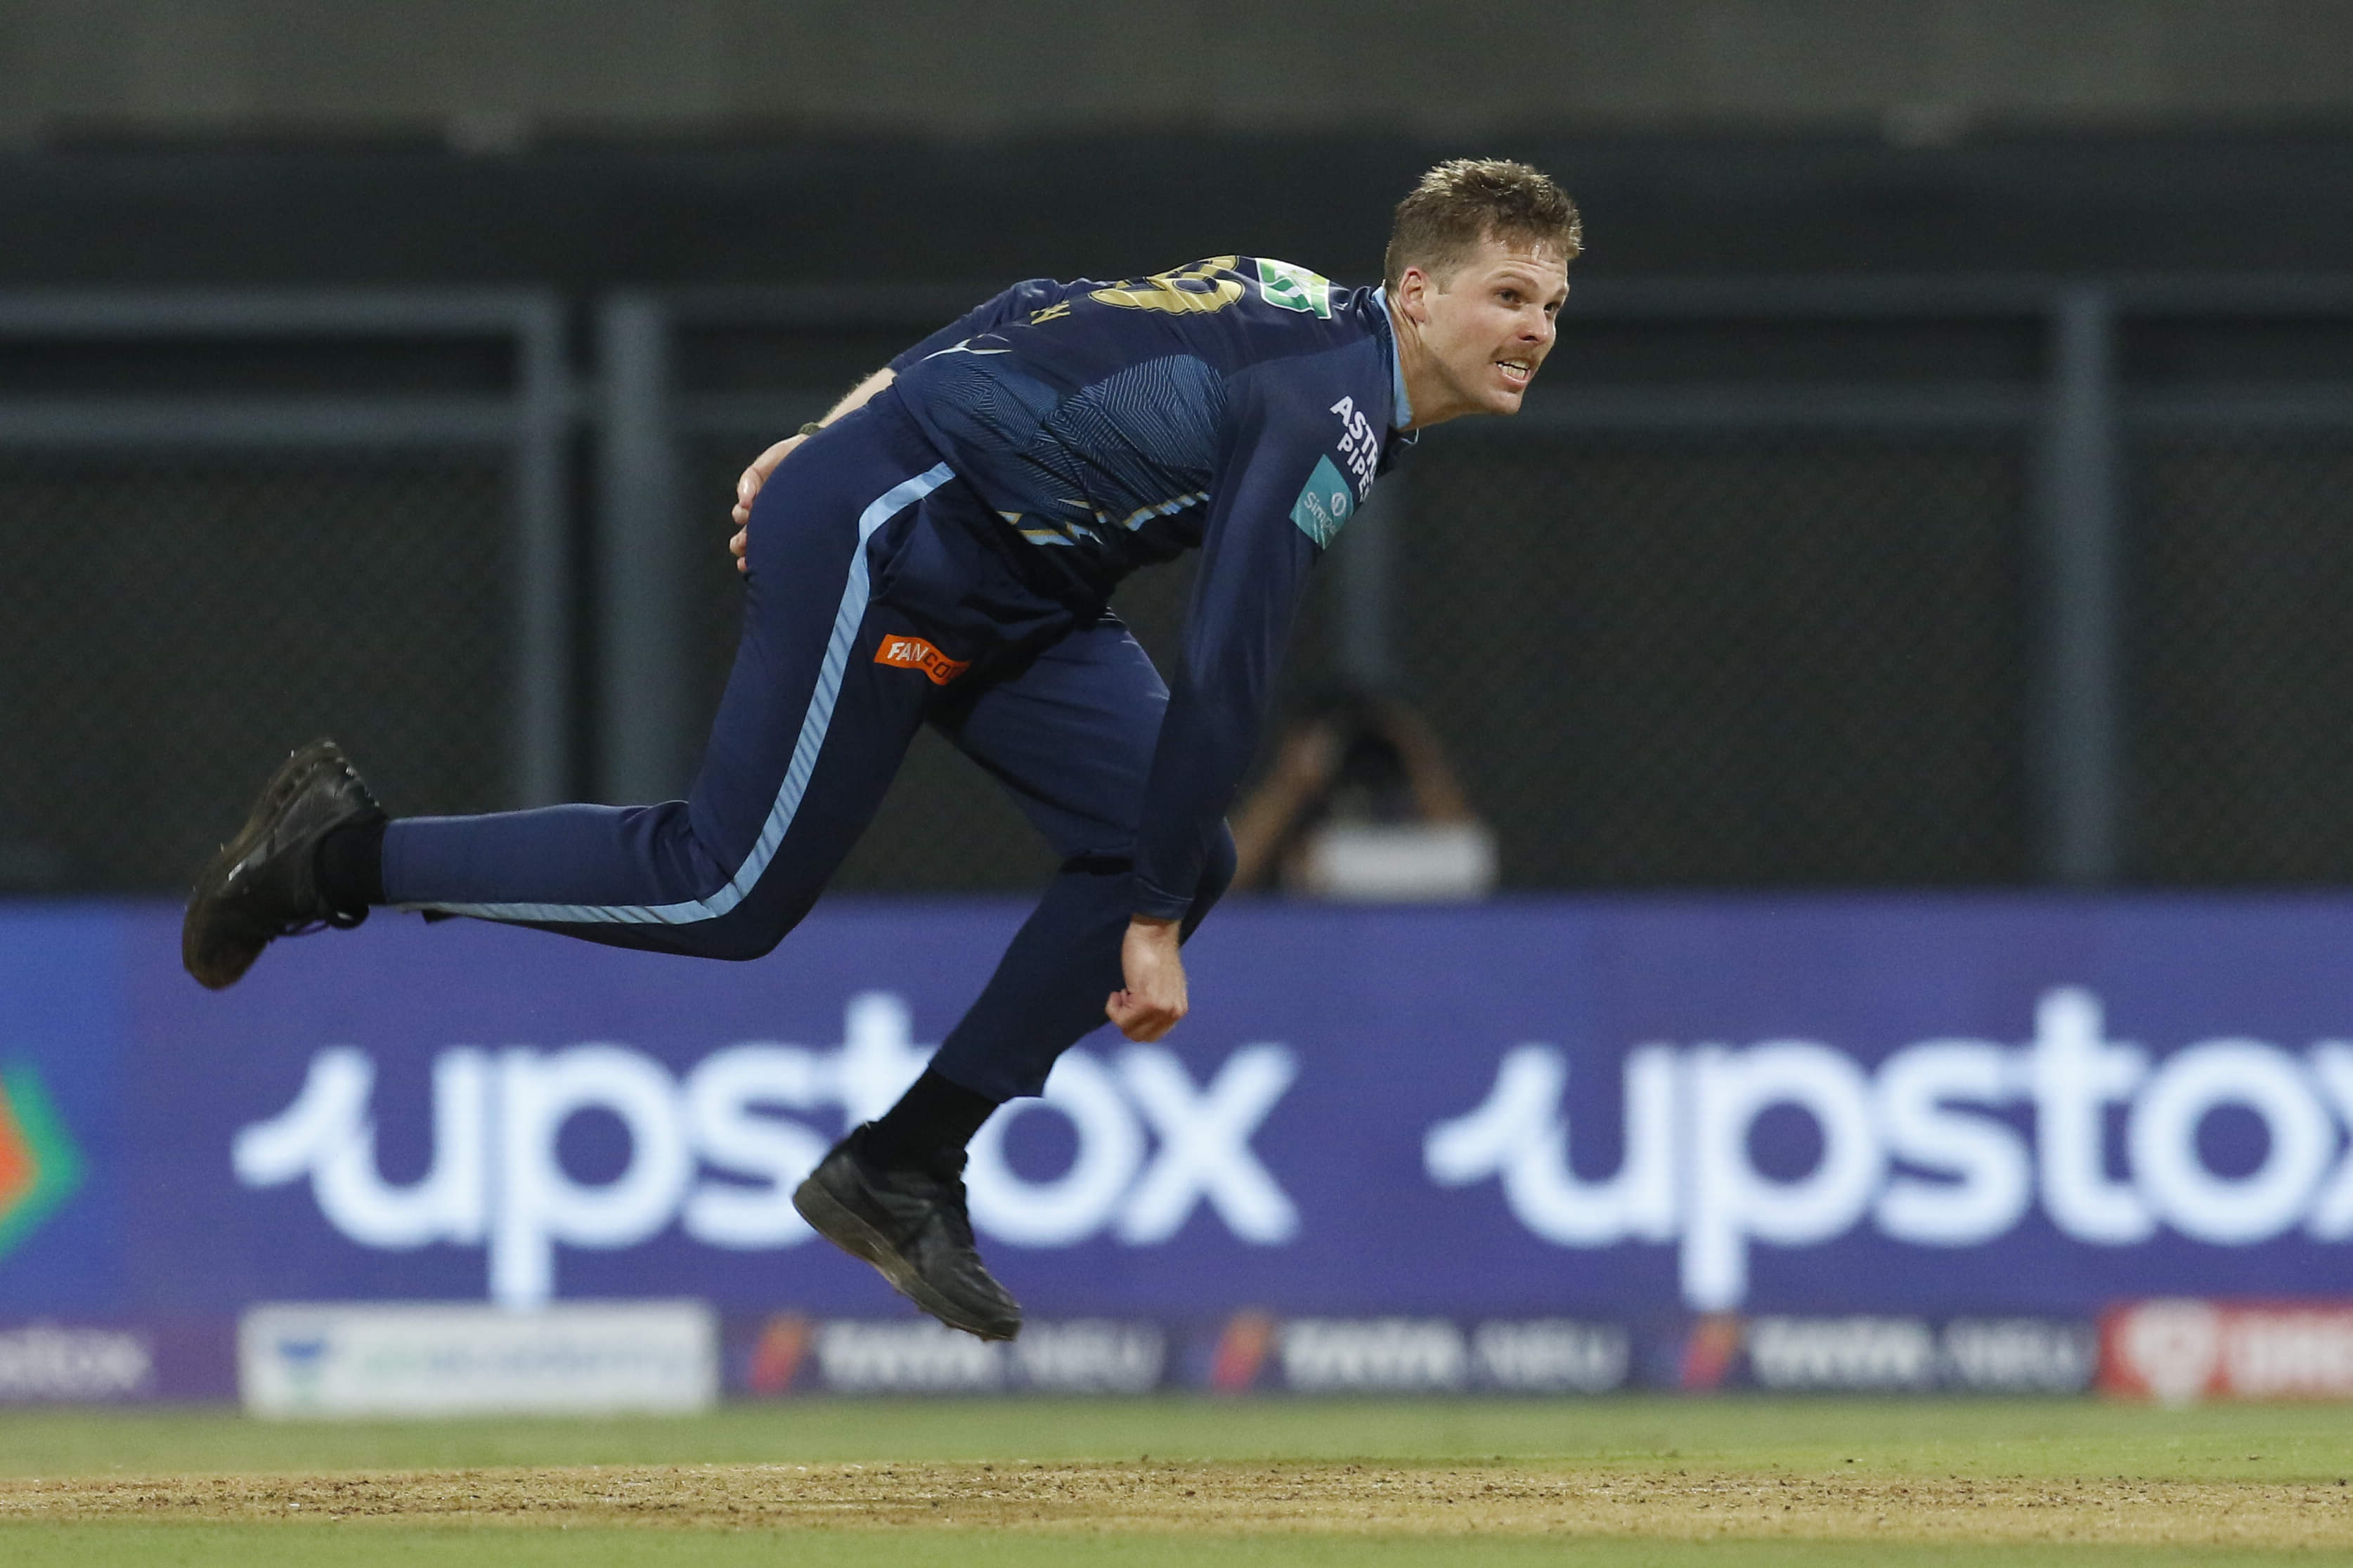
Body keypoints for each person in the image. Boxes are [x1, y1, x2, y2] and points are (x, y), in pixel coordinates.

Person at [182, 157, 1579, 1341]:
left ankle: (900, 1168)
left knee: (1178, 843)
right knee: (726, 890)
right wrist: (1151, 926)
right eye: (1508, 295)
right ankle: (330, 856)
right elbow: (1228, 664)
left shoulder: (1304, 313)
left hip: (1015, 580)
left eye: (1553, 305)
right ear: (1417, 292)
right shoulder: (1332, 405)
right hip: (904, 532)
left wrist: (837, 419)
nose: (1536, 328)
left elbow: (1032, 304)